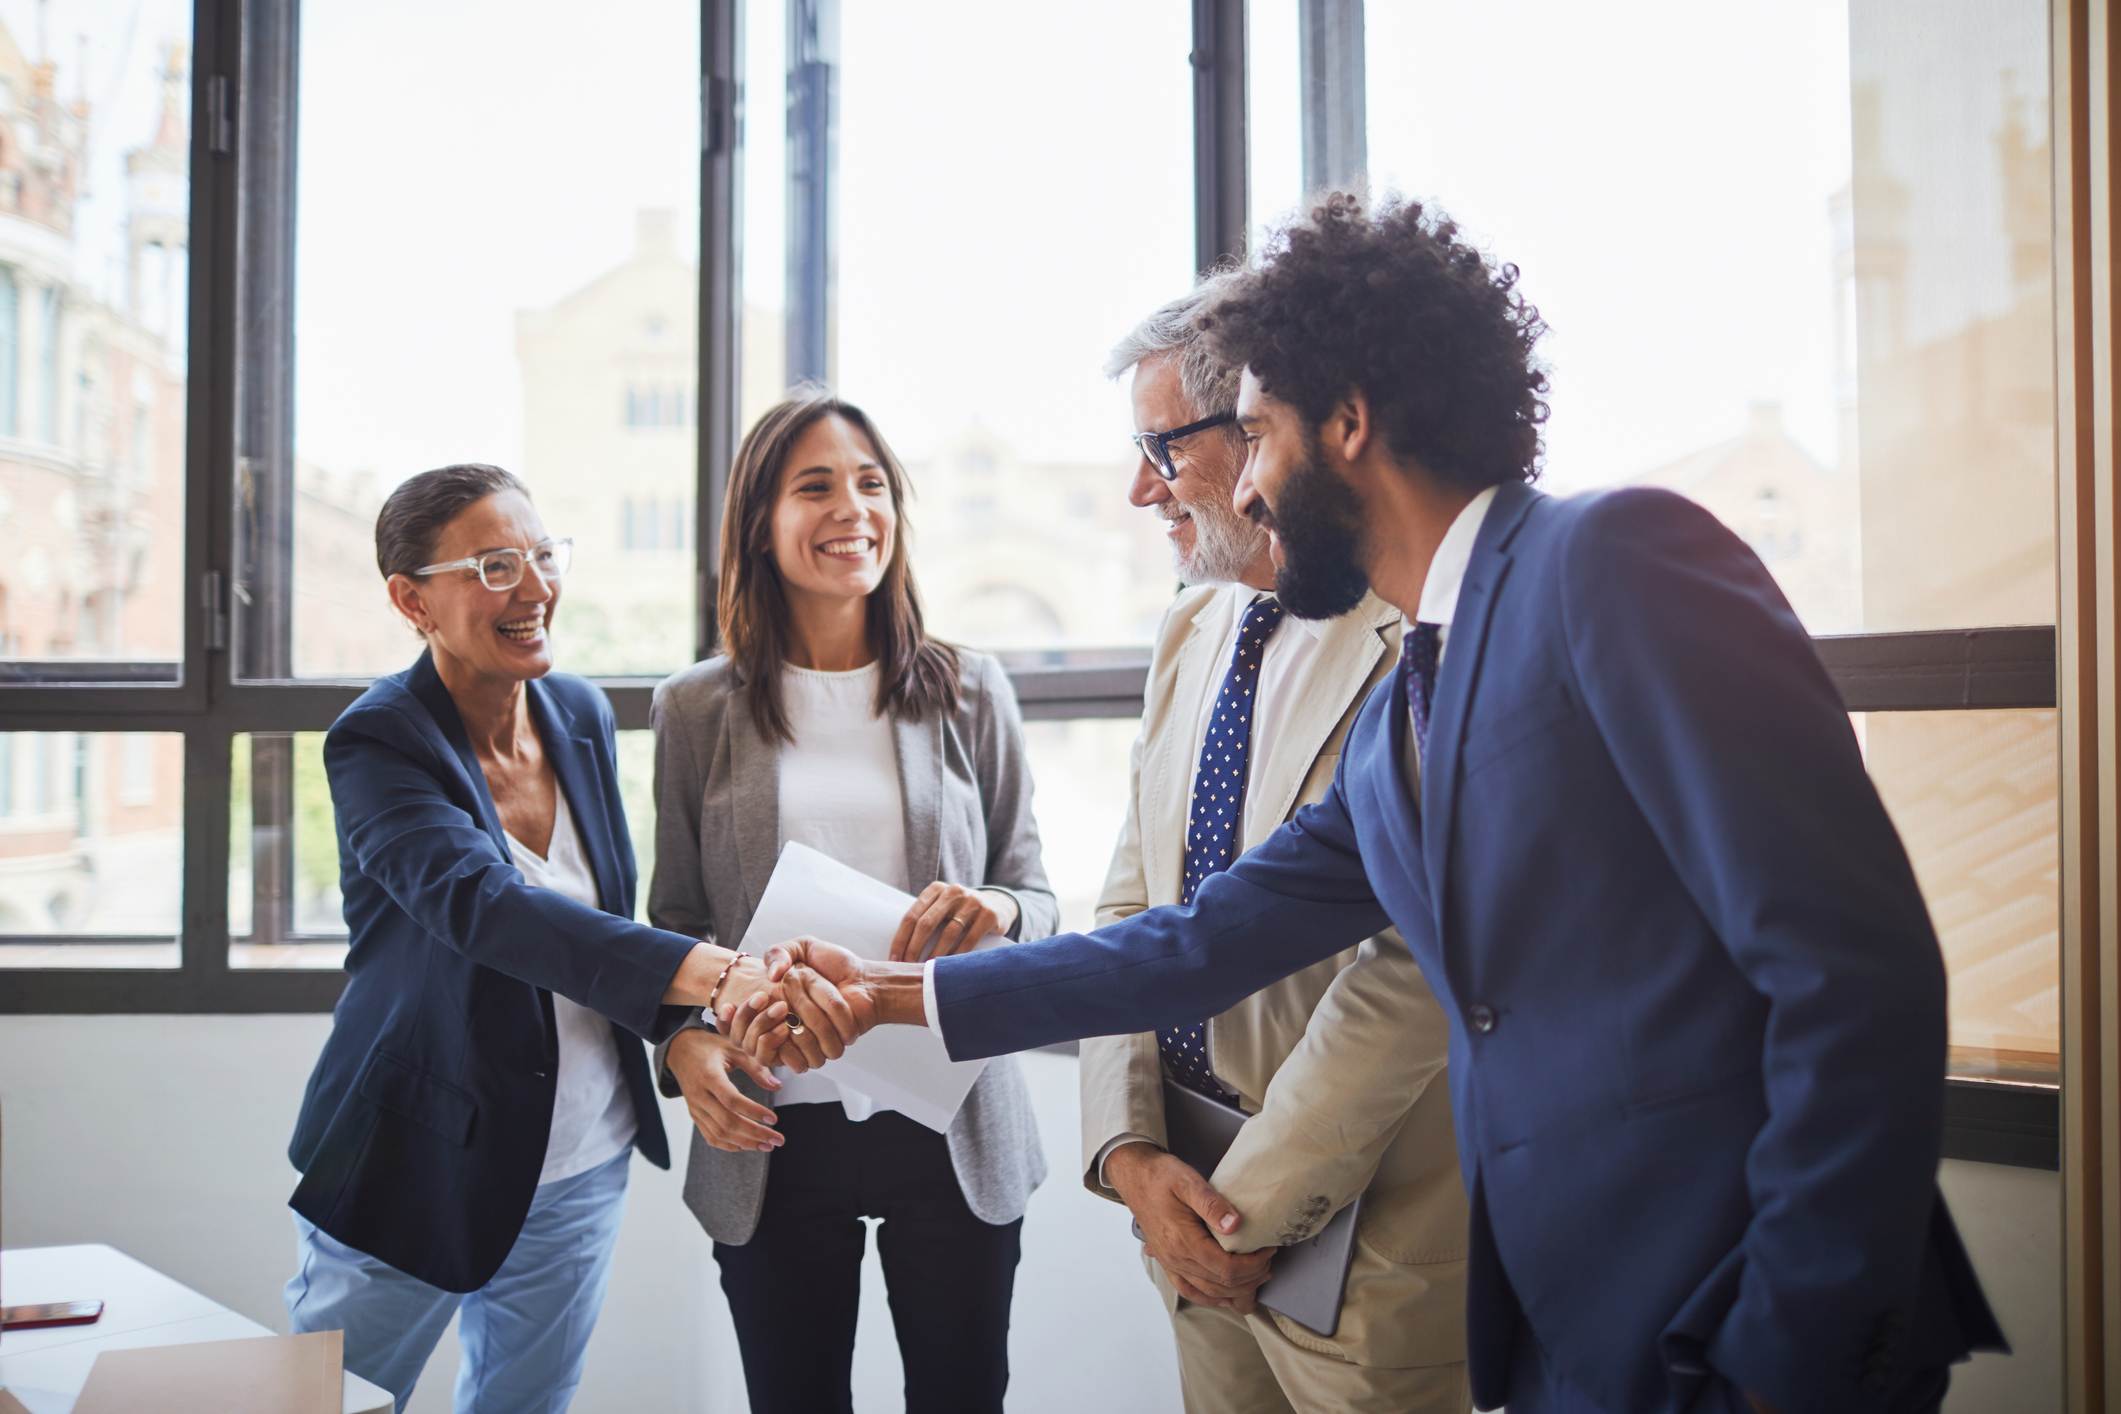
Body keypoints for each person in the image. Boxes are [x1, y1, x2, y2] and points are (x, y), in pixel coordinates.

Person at [756, 196, 2008, 1413]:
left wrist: (1788, 1354)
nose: (1242, 489)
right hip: (1575, 1333)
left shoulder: (1616, 561)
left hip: (1741, 1325)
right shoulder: (1415, 693)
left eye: (1256, 434)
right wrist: (892, 1000)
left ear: (1348, 421)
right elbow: (1197, 942)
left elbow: (1857, 976)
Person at [284, 463, 822, 1413]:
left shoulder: (574, 711)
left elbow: (602, 924)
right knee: (330, 1404)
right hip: (418, 1156)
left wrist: (679, 1028)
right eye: (494, 566)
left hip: (580, 1158)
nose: (534, 588)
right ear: (413, 600)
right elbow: (481, 908)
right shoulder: (379, 743)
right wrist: (714, 975)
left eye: (540, 555)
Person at [1085, 278, 1469, 1412]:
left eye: (1163, 447)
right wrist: (1128, 1154)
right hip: (1179, 1200)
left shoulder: (1420, 639)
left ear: (1265, 426)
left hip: (1367, 1239)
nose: (1140, 488)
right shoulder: (1191, 622)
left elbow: (1412, 974)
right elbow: (1130, 908)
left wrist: (1245, 1205)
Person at [648, 389, 1053, 1414]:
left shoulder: (969, 687)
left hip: (950, 1115)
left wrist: (998, 910)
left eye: (872, 484)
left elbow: (1038, 893)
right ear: (760, 520)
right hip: (775, 1125)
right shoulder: (697, 706)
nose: (853, 509)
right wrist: (685, 1042)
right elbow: (673, 925)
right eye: (816, 485)